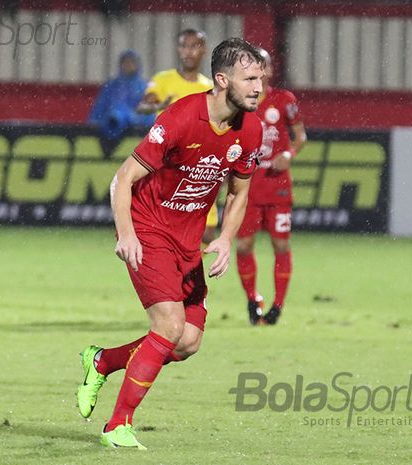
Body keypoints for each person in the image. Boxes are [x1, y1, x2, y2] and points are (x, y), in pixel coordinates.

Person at [77, 38, 265, 449]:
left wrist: (227, 238)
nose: (258, 87)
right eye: (249, 78)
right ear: (222, 80)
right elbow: (122, 179)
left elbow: (239, 192)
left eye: (261, 79)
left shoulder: (251, 129)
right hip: (147, 227)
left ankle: (102, 360)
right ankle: (117, 425)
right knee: (168, 326)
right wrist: (126, 233)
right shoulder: (180, 117)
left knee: (187, 343)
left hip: (188, 239)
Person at [236, 48, 306, 326]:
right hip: (247, 185)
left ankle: (278, 305)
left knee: (280, 243)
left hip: (277, 186)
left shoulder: (284, 100)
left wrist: (288, 155)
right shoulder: (239, 101)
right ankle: (253, 299)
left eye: (263, 66)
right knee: (243, 245)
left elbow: (300, 135)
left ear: (270, 70)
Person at [138, 28, 219, 244]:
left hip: (198, 168)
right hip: (167, 166)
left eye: (194, 46)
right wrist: (157, 105)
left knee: (207, 233)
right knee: (168, 228)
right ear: (178, 49)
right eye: (184, 46)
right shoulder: (163, 80)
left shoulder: (210, 88)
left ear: (203, 50)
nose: (188, 52)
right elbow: (144, 104)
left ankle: (182, 273)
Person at [88, 50, 155, 143]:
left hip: (135, 134)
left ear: (137, 64)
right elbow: (100, 105)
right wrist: (94, 121)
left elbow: (149, 113)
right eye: (125, 62)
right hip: (107, 130)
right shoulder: (112, 85)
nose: (128, 65)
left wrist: (134, 120)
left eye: (131, 62)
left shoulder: (143, 87)